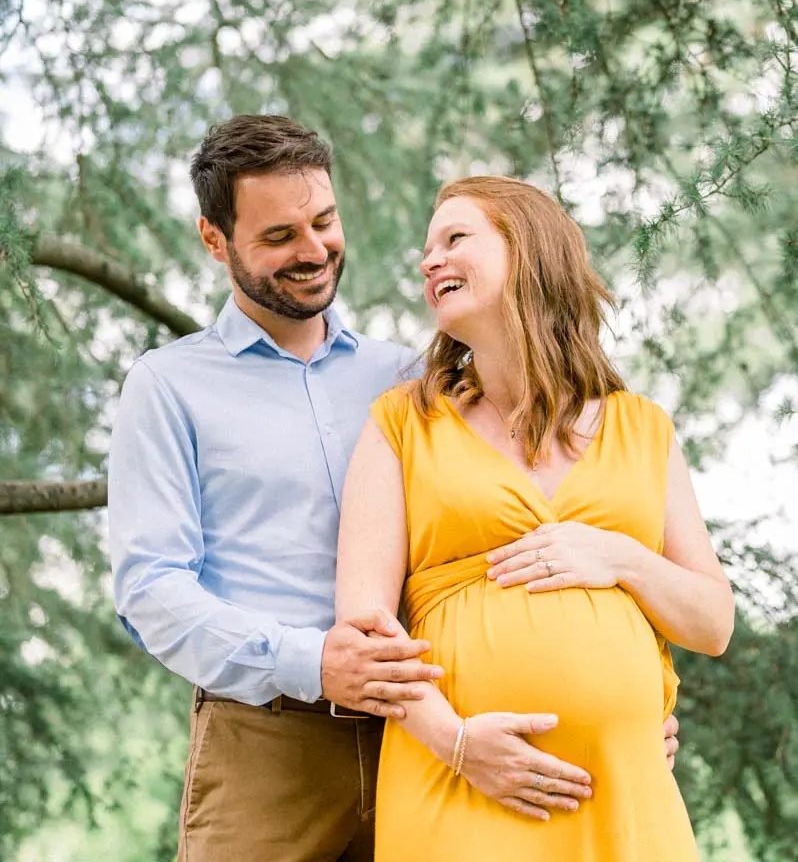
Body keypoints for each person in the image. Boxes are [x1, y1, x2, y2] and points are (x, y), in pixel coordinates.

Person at [108, 116, 680, 862]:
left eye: (324, 220)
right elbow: (150, 590)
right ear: (216, 241)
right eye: (279, 236)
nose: (313, 251)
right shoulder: (169, 386)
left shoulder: (413, 380)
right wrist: (312, 662)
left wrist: (636, 700)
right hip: (271, 739)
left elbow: (530, 522)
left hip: (437, 735)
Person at [335, 175, 735, 861]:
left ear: (529, 250)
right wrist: (458, 745)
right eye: (426, 250)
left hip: (622, 792)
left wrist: (620, 558)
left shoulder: (643, 429)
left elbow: (712, 623)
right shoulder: (405, 423)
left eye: (455, 238)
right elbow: (366, 632)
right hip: (457, 785)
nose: (430, 261)